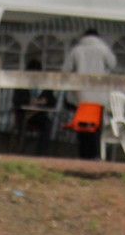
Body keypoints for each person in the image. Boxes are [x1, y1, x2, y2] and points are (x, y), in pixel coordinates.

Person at [63, 29, 117, 159]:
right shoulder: (104, 49)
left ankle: (84, 154)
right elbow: (113, 64)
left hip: (81, 96)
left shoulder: (76, 50)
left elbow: (66, 69)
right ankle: (95, 154)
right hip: (99, 96)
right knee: (96, 125)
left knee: (82, 126)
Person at [13, 59, 53, 155]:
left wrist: (44, 101)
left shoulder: (44, 85)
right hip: (24, 115)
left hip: (38, 116)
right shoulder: (21, 84)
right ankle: (20, 151)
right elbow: (16, 100)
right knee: (23, 123)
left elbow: (52, 101)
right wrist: (28, 101)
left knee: (47, 124)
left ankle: (41, 153)